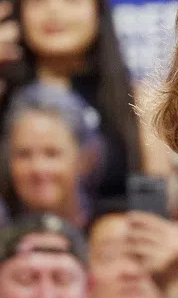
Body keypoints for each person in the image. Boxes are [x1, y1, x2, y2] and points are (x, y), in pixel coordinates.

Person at [5, 0, 143, 199]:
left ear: (99, 12)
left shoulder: (138, 99)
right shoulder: (4, 92)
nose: (54, 10)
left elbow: (157, 192)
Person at [0, 84, 103, 227]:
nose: (38, 168)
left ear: (86, 158)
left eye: (52, 154)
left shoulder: (106, 236)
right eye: (23, 155)